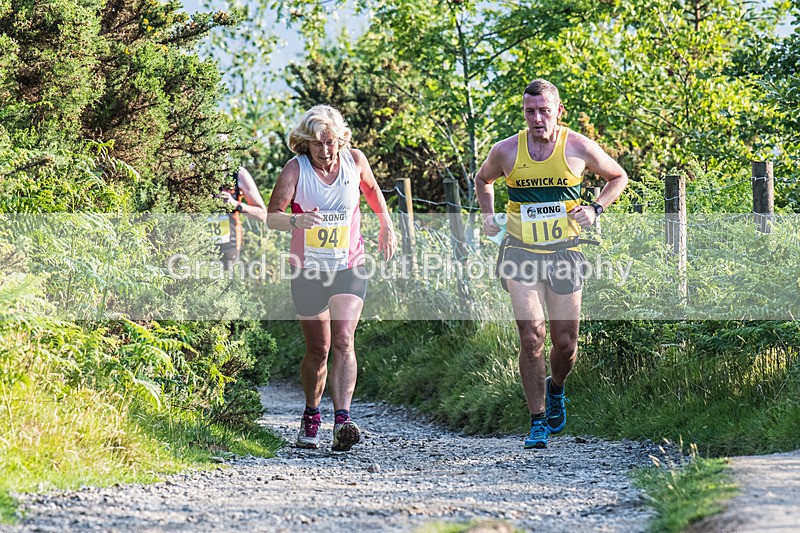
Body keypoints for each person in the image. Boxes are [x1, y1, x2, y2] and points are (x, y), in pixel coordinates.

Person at [475, 79, 628, 449]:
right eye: (530, 112)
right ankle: (537, 420)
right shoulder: (506, 150)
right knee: (531, 338)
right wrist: (489, 214)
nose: (537, 118)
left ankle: (556, 388)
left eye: (544, 111)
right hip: (520, 253)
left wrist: (595, 208)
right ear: (524, 113)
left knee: (565, 345)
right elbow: (483, 179)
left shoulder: (577, 146)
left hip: (565, 252)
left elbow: (618, 176)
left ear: (558, 111)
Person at [266, 105, 397, 451]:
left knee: (343, 340)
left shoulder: (355, 161)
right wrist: (296, 221)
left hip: (349, 265)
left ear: (341, 140)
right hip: (307, 270)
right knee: (318, 349)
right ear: (305, 143)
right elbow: (272, 217)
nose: (325, 151)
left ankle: (343, 420)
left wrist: (385, 222)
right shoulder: (295, 170)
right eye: (318, 144)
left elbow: (370, 190)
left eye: (331, 143)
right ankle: (311, 413)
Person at [213, 166, 267, 267]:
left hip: (229, 248)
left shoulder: (238, 173)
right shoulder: (192, 171)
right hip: (197, 245)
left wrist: (235, 204)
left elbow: (262, 215)